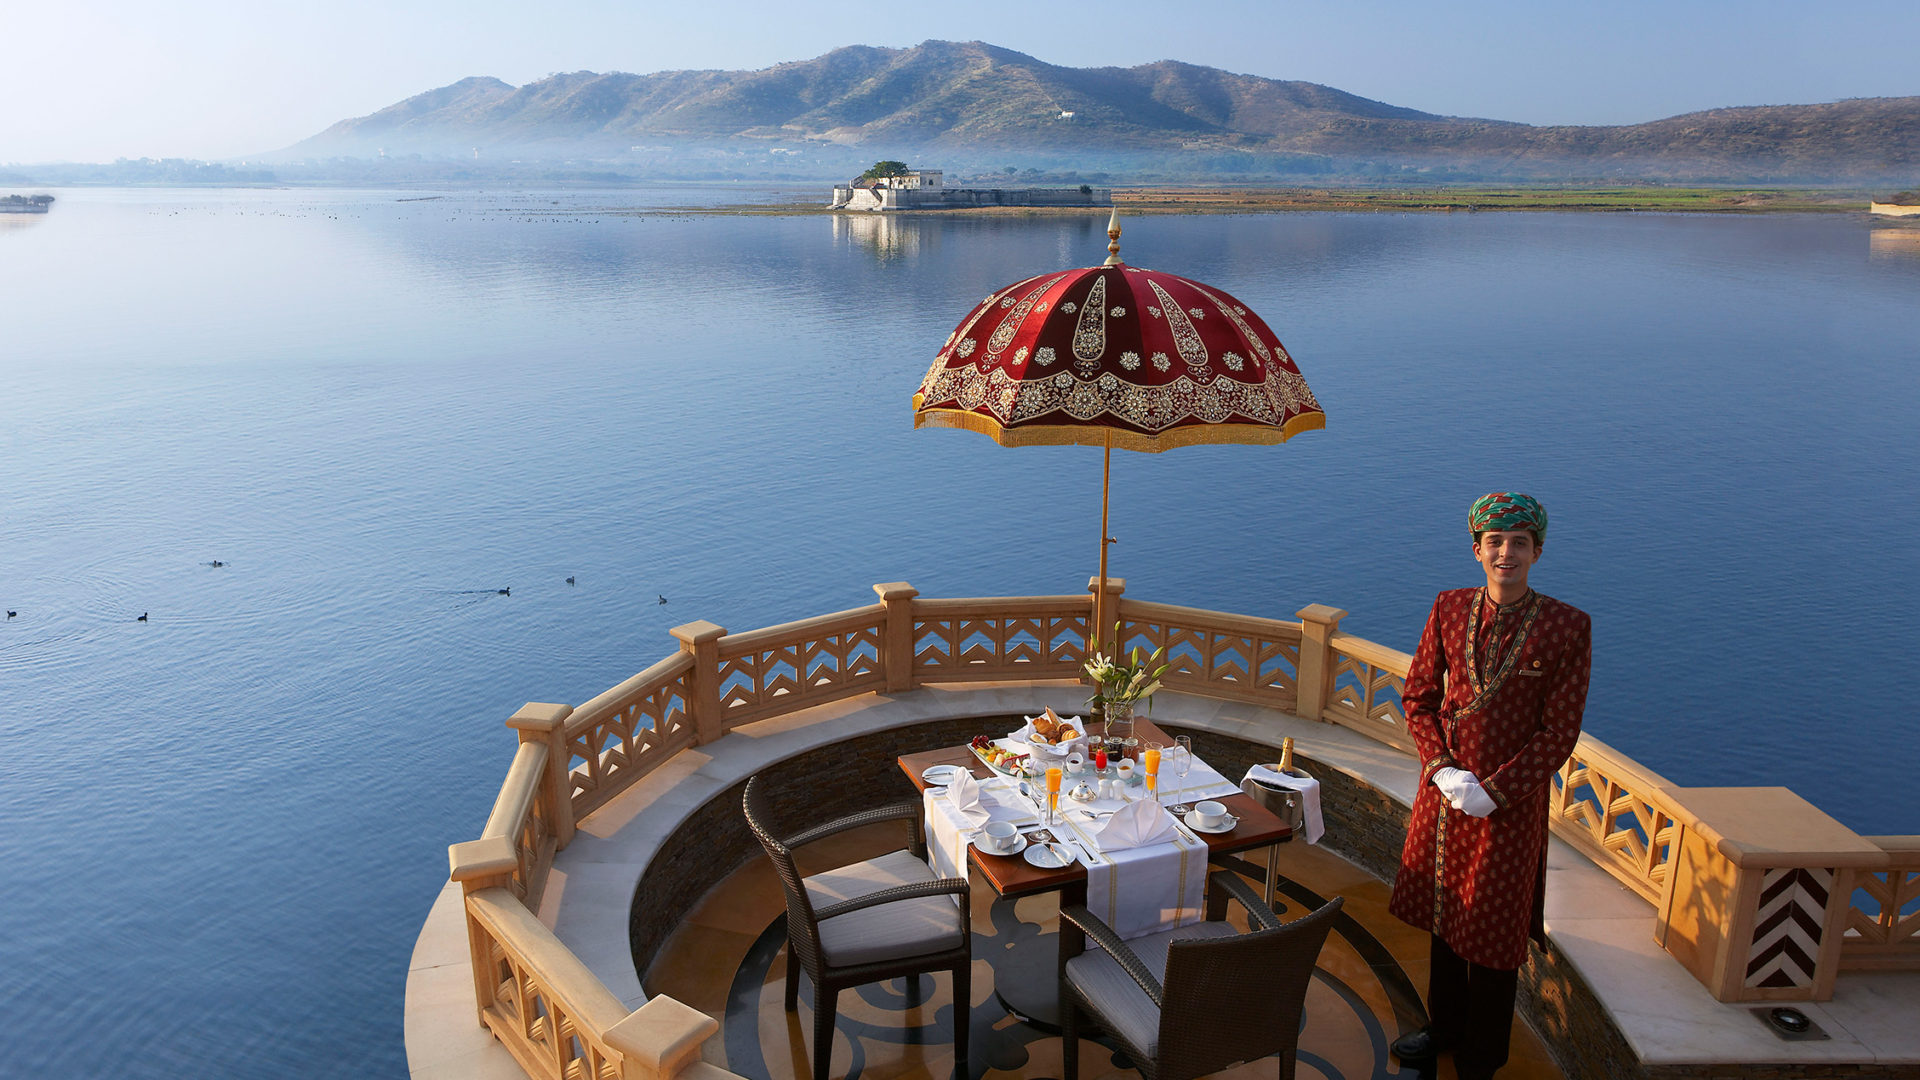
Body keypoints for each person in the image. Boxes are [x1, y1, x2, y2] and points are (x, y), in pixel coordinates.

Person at [1387, 492, 1592, 1080]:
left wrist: (1495, 791)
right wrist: (1442, 768)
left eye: (1519, 543)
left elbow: (1559, 732)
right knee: (1447, 914)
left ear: (1537, 552)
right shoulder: (1449, 608)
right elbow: (1418, 697)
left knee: (1495, 932)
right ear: (1476, 550)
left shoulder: (1566, 628)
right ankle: (1445, 1027)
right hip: (1445, 794)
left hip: (1511, 807)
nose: (1507, 553)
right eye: (1495, 542)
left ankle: (1482, 1057)